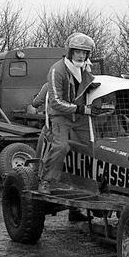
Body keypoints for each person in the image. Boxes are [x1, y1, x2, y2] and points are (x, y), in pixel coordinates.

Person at [39, 33, 101, 207]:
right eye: (78, 52)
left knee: (94, 145)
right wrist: (81, 109)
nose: (81, 56)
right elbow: (55, 102)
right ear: (70, 52)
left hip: (80, 116)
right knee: (61, 146)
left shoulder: (85, 70)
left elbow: (89, 90)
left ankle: (88, 184)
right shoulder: (56, 70)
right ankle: (46, 180)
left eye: (84, 52)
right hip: (60, 116)